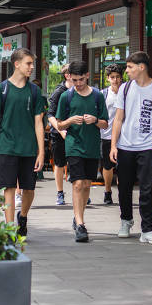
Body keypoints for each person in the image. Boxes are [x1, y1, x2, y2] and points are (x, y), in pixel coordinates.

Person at [109, 51, 152, 245]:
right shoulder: (125, 89)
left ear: (141, 67)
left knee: (147, 189)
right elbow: (118, 119)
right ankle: (126, 220)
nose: (126, 71)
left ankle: (147, 230)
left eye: (130, 67)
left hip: (148, 146)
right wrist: (113, 145)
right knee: (124, 187)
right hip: (125, 146)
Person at [0, 48, 45, 237]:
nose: (31, 67)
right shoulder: (2, 89)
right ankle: (10, 229)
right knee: (8, 187)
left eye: (32, 64)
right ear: (16, 64)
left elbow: (38, 123)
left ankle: (23, 217)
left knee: (29, 189)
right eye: (28, 63)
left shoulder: (34, 90)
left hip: (29, 148)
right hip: (7, 146)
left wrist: (41, 152)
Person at [55, 61, 108, 242]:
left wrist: (94, 120)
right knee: (77, 184)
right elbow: (59, 123)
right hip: (73, 145)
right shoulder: (66, 97)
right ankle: (80, 224)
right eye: (74, 80)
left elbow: (105, 123)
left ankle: (78, 216)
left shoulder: (97, 96)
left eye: (80, 79)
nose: (77, 83)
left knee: (87, 184)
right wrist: (69, 121)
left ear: (87, 75)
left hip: (92, 146)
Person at [47, 64, 73, 206]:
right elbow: (50, 114)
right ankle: (60, 193)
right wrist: (61, 130)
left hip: (75, 133)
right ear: (67, 75)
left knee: (75, 163)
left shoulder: (80, 91)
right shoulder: (59, 92)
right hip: (59, 134)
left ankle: (80, 190)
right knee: (59, 163)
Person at [100, 64, 123, 205]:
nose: (115, 80)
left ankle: (123, 193)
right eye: (112, 77)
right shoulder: (103, 94)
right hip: (106, 135)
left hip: (124, 136)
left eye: (118, 77)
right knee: (108, 166)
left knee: (123, 166)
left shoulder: (126, 92)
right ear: (108, 78)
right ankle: (107, 191)